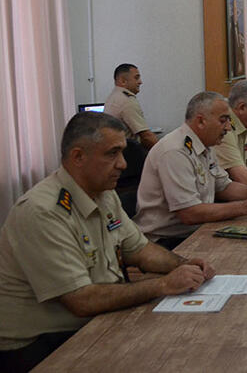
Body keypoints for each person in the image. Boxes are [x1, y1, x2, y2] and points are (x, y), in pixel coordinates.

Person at [0, 113, 215, 371]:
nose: (123, 164)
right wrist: (164, 284)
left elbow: (140, 250)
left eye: (122, 152)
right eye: (112, 153)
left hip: (93, 322)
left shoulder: (103, 194)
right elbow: (81, 300)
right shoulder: (42, 211)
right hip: (40, 345)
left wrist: (184, 264)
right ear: (78, 157)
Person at [133, 91, 247, 249]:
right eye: (223, 120)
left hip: (198, 229)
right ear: (200, 121)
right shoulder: (175, 151)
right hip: (167, 242)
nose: (228, 127)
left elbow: (224, 186)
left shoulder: (206, 144)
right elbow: (189, 213)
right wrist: (244, 207)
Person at [104, 63, 158, 149]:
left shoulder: (113, 97)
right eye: (136, 78)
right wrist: (162, 152)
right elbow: (146, 137)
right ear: (123, 81)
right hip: (128, 153)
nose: (140, 82)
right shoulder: (126, 100)